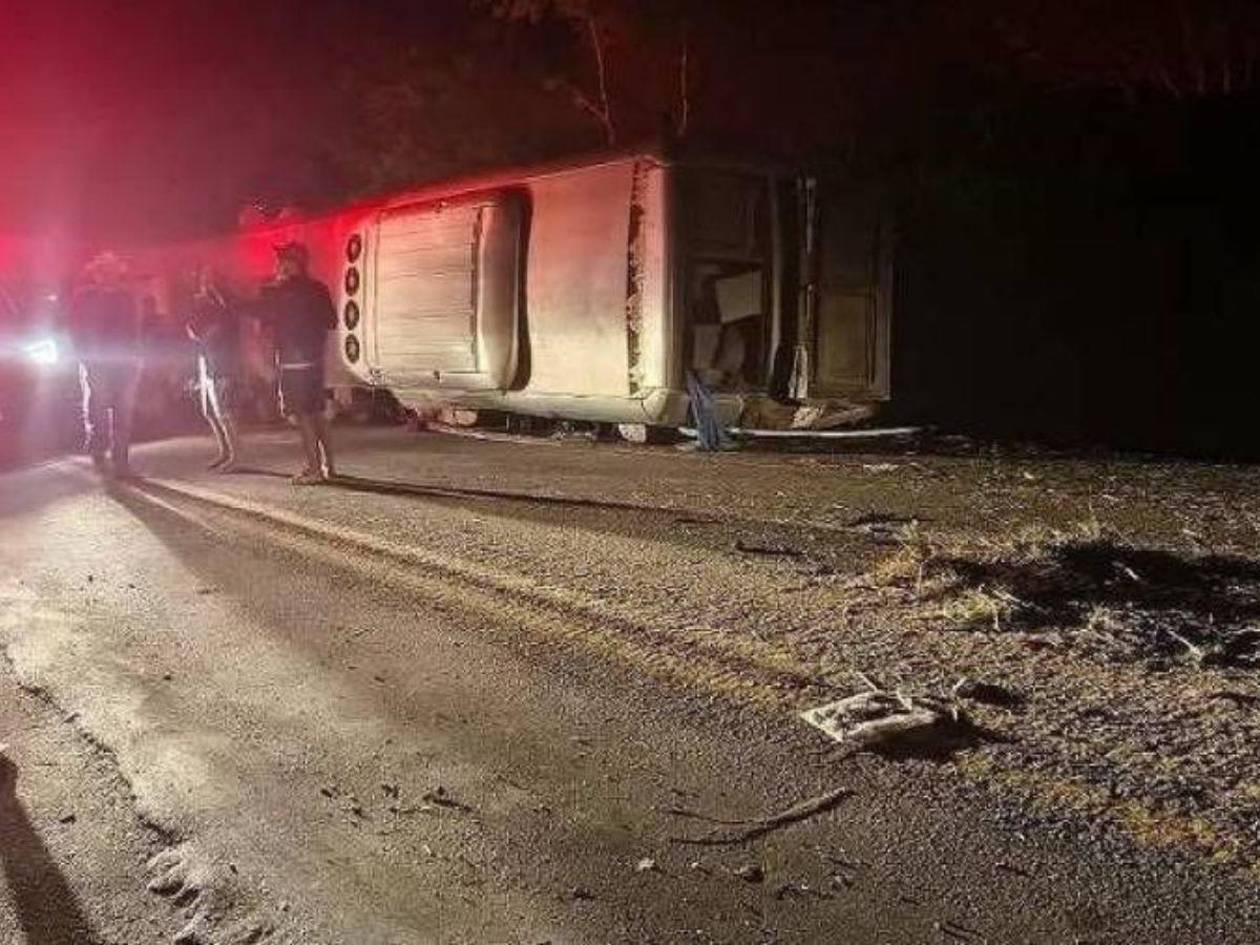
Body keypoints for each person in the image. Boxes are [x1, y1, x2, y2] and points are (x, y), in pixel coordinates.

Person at [257, 242, 336, 483]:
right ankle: (328, 466)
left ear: (294, 263)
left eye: (282, 261)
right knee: (317, 413)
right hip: (314, 359)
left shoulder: (279, 292)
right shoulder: (318, 287)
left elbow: (262, 319)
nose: (277, 265)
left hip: (293, 361)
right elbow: (331, 321)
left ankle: (314, 470)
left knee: (303, 415)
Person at [68, 252, 142, 478]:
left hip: (124, 360)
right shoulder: (84, 296)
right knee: (98, 409)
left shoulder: (127, 296)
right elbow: (75, 327)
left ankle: (121, 461)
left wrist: (136, 355)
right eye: (103, 270)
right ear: (97, 273)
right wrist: (84, 355)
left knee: (123, 412)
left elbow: (134, 327)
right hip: (98, 360)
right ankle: (99, 449)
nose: (108, 275)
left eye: (111, 270)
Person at [186, 268, 242, 470]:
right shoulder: (202, 304)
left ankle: (236, 456)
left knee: (223, 412)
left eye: (209, 281)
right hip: (206, 360)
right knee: (208, 411)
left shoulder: (225, 304)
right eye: (203, 280)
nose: (204, 284)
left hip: (222, 362)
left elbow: (222, 330)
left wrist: (202, 334)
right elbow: (193, 329)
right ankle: (224, 451)